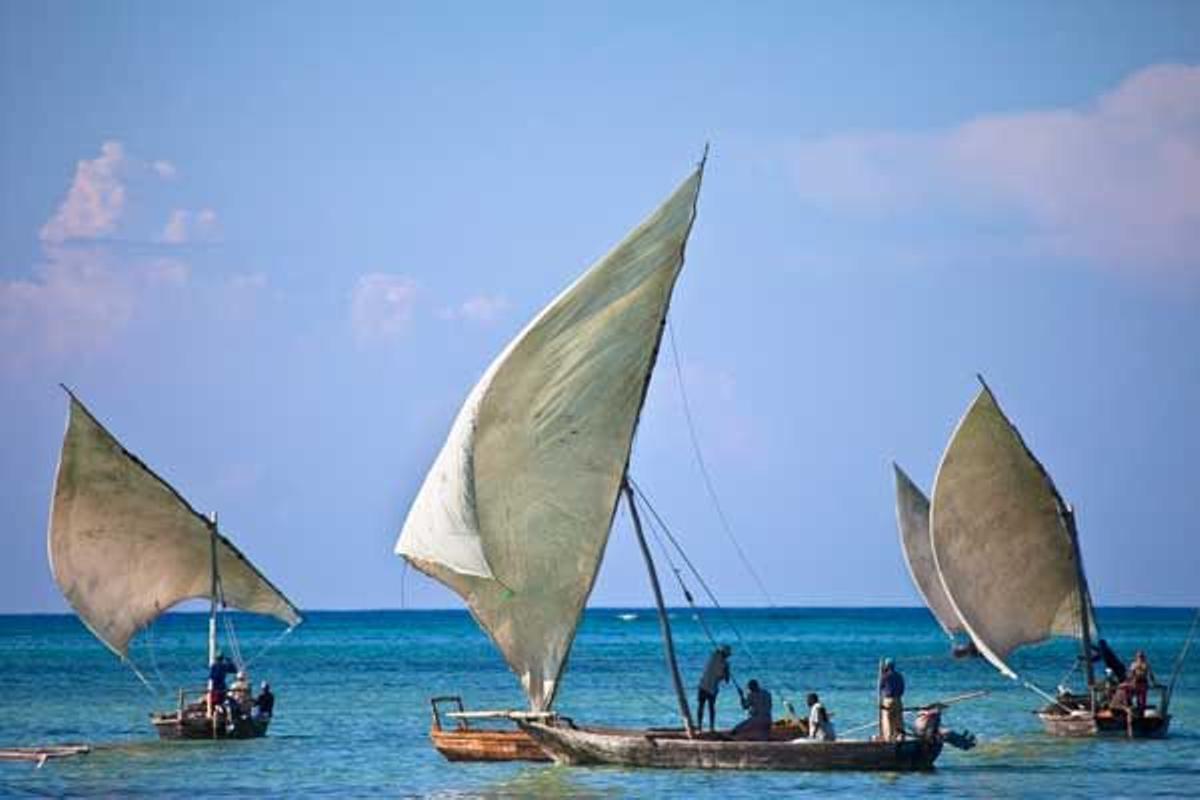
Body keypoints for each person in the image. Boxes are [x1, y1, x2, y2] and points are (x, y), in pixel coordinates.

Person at [696, 645, 732, 732]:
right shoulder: (721, 662)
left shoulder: (714, 657)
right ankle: (709, 727)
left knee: (703, 706)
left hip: (705, 686)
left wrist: (727, 669)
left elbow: (725, 678)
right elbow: (726, 679)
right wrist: (727, 670)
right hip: (710, 688)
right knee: (710, 707)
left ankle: (701, 726)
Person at [879, 658, 906, 741]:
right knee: (899, 719)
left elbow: (881, 687)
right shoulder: (899, 676)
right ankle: (900, 736)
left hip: (888, 700)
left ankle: (890, 738)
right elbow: (902, 688)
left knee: (888, 720)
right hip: (898, 699)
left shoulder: (885, 676)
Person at [207, 652, 237, 717]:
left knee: (214, 701)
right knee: (221, 701)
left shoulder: (214, 666)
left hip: (215, 687)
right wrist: (230, 661)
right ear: (222, 658)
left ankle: (213, 713)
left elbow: (211, 678)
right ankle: (220, 712)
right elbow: (234, 670)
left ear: (216, 658)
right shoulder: (224, 666)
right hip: (222, 687)